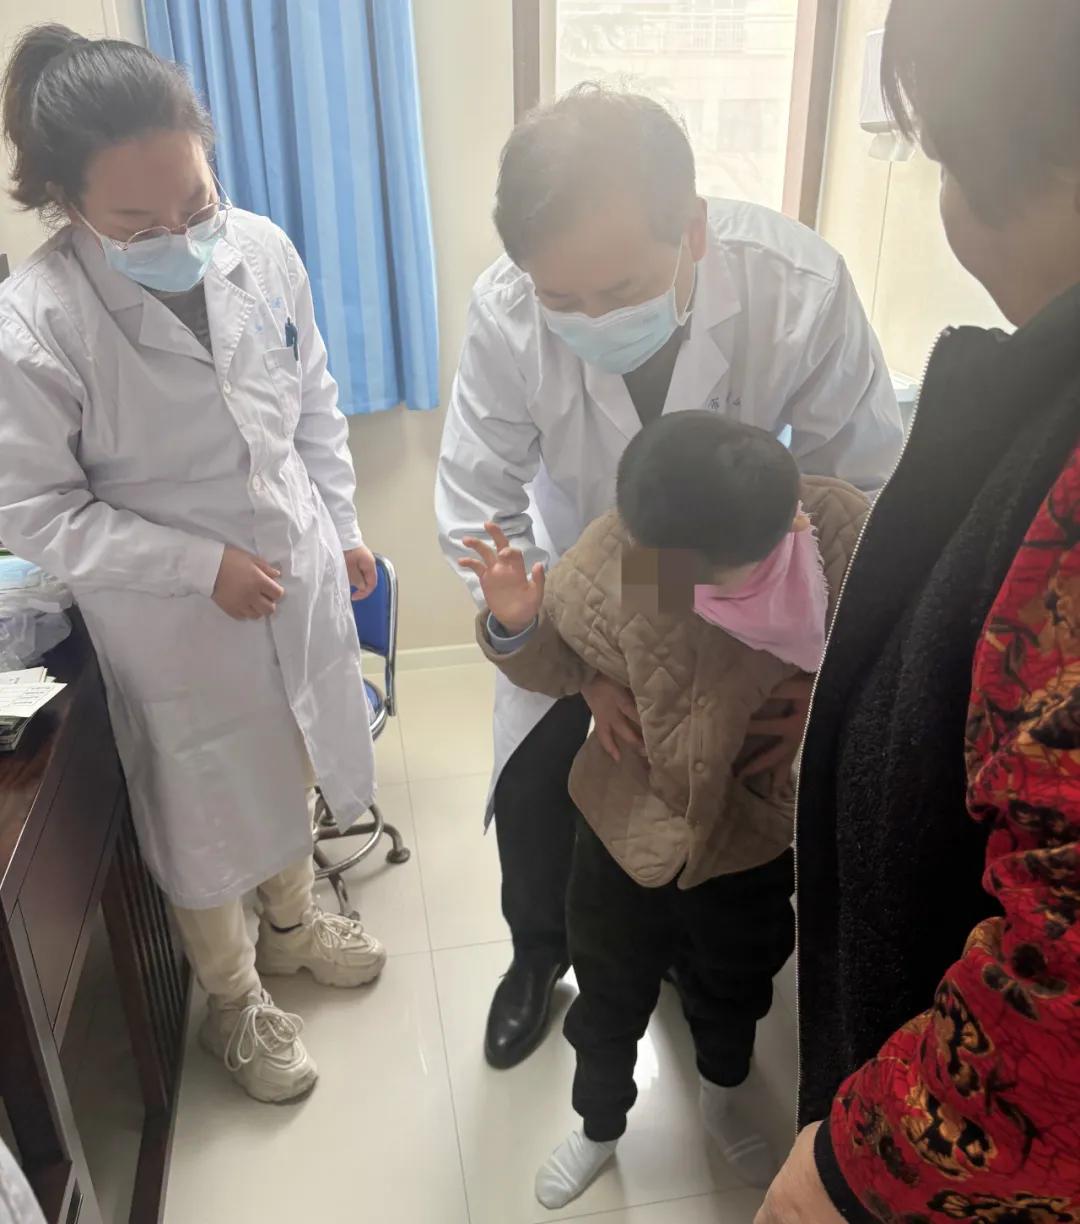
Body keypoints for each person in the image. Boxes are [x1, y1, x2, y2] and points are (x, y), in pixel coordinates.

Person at [435, 86, 904, 1071]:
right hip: (586, 591)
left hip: (741, 601)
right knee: (540, 793)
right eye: (562, 301)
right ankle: (538, 955)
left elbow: (861, 488)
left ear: (690, 228)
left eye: (619, 290)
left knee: (719, 791)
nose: (590, 318)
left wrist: (818, 675)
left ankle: (693, 966)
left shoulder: (797, 287)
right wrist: (578, 668)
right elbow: (479, 505)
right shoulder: (507, 312)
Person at [0, 26, 385, 1105]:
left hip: (295, 567)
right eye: (138, 224)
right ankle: (233, 999)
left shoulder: (259, 249)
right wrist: (195, 564)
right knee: (206, 801)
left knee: (295, 753)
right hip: (173, 621)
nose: (179, 236)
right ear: (67, 203)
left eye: (196, 203)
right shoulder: (36, 325)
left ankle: (296, 926)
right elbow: (36, 511)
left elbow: (312, 399)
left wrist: (343, 524)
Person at [757, 2, 1080, 1220]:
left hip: (959, 1117)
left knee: (726, 946)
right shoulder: (622, 553)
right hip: (656, 799)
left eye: (944, 154)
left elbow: (865, 540)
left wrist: (851, 1169)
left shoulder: (829, 507)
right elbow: (589, 603)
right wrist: (550, 646)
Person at [464, 412, 868, 1209]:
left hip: (751, 830)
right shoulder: (650, 564)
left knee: (736, 980)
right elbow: (566, 651)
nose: (682, 584)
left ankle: (723, 1091)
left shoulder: (832, 539)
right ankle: (598, 1125)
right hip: (626, 825)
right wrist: (525, 632)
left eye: (711, 579)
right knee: (609, 992)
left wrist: (818, 695)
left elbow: (884, 650)